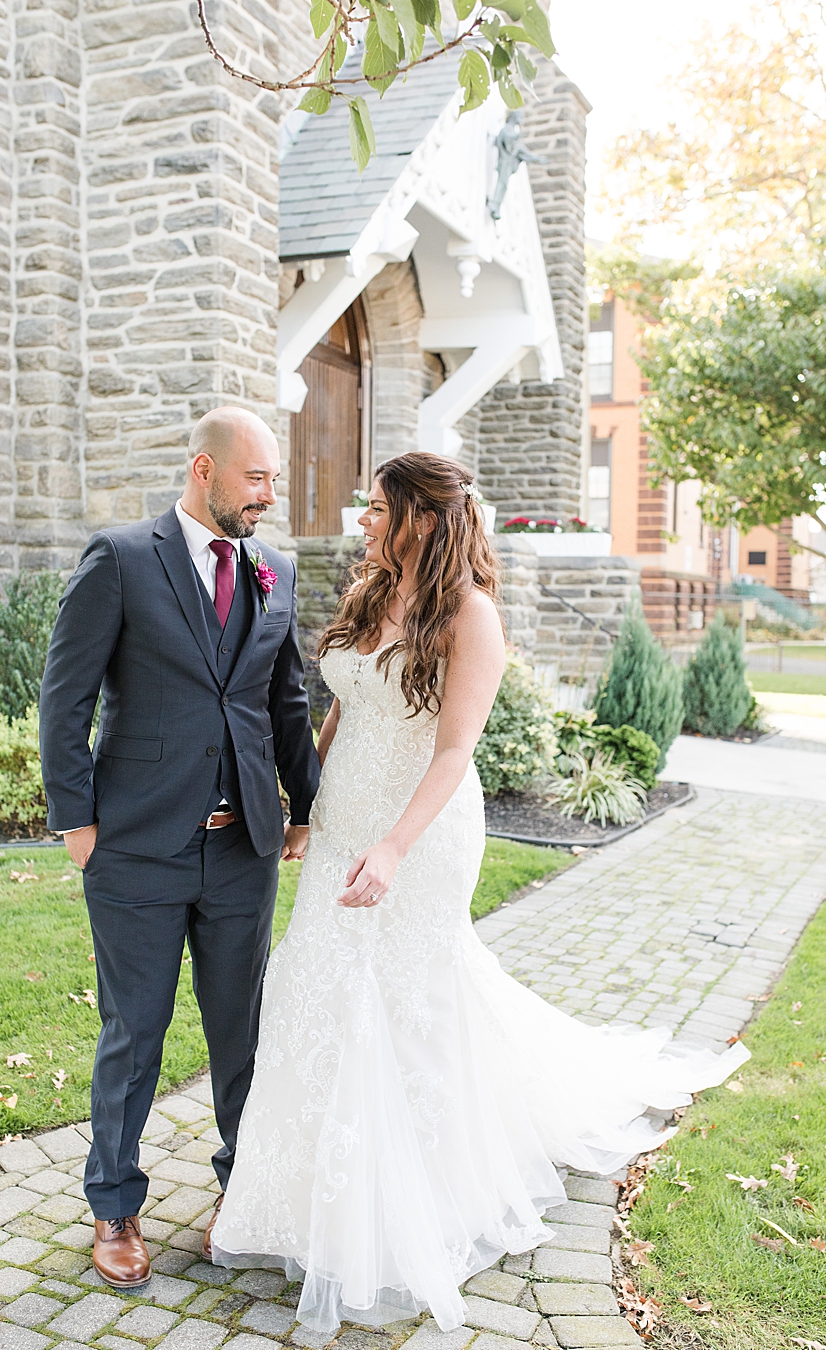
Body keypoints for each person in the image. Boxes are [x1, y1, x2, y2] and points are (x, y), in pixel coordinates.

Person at [207, 451, 747, 1333]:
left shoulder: (472, 617)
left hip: (418, 833)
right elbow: (336, 711)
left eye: (378, 509)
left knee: (412, 1005)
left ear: (421, 517)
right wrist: (310, 810)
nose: (365, 522)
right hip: (346, 816)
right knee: (319, 988)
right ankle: (306, 1195)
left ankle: (413, 1202)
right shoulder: (367, 594)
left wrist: (390, 848)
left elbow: (454, 754)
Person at [39, 406, 321, 1290]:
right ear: (206, 470)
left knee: (244, 1033)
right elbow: (64, 698)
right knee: (136, 1034)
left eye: (273, 480)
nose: (269, 497)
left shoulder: (274, 573)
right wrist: (80, 827)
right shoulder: (120, 559)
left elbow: (285, 703)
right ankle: (115, 1206)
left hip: (243, 851)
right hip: (136, 851)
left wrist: (305, 804)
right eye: (257, 479)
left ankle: (242, 1192)